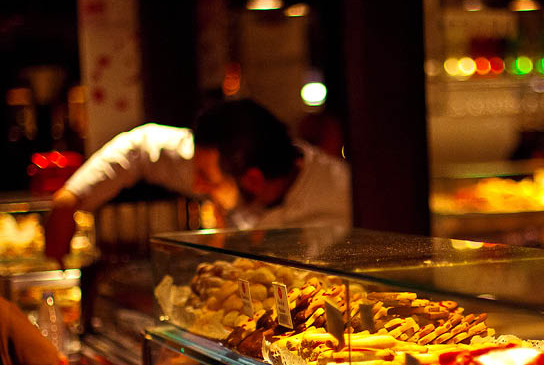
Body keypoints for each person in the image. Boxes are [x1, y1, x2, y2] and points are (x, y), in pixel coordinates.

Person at [45, 99, 352, 262]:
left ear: (254, 180)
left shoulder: (341, 197)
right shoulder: (216, 159)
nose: (196, 186)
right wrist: (69, 200)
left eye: (207, 179)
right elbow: (140, 145)